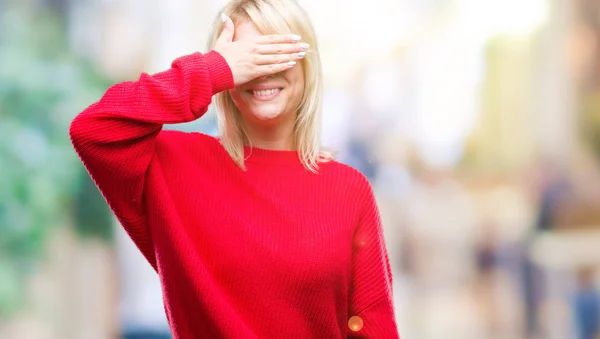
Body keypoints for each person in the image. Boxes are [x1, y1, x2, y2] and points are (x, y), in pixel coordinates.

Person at [69, 0, 399, 338]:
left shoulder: (349, 190)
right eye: (248, 57)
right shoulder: (173, 167)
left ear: (307, 65)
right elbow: (93, 129)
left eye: (276, 52)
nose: (263, 70)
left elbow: (372, 327)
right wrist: (212, 70)